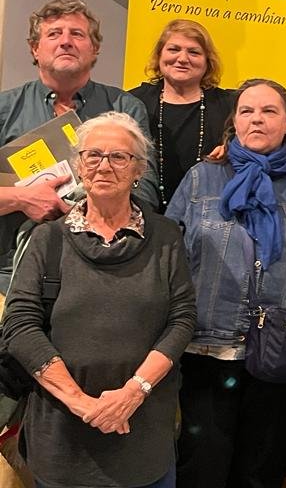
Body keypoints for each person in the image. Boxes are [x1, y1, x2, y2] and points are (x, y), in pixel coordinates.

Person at [1, 112, 196, 488]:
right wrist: (83, 404)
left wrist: (133, 392)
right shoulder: (47, 238)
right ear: (78, 165)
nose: (104, 165)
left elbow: (182, 318)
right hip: (62, 436)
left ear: (138, 169)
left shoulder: (167, 236)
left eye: (119, 157)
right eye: (93, 155)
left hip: (143, 432)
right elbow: (20, 326)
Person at [166, 79, 286, 488]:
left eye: (269, 111)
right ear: (233, 121)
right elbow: (169, 258)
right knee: (204, 467)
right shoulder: (202, 177)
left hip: (280, 350)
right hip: (207, 344)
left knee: (262, 470)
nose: (257, 119)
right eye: (247, 110)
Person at [0, 0, 159, 291]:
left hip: (100, 270)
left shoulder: (126, 108)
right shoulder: (4, 109)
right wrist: (23, 199)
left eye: (77, 34)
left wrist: (87, 207)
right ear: (35, 48)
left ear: (94, 48)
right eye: (53, 34)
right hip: (8, 275)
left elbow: (146, 190)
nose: (65, 42)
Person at [129, 19, 235, 212]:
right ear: (159, 55)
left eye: (194, 52)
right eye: (173, 49)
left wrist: (234, 150)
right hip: (144, 217)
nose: (182, 58)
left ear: (207, 61)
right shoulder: (133, 103)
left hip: (211, 218)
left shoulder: (231, 104)